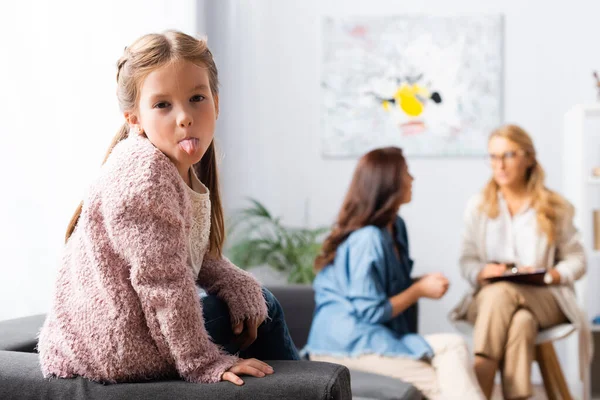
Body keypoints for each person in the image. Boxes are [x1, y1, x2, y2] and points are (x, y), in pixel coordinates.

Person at [38, 31, 299, 386]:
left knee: (256, 301)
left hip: (125, 333)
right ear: (134, 118)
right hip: (117, 345)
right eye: (163, 105)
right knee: (268, 308)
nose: (184, 117)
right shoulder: (143, 175)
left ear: (216, 103)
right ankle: (309, 383)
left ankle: (302, 379)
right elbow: (162, 283)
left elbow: (184, 252)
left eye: (196, 98)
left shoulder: (174, 168)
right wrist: (203, 363)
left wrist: (235, 282)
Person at [305, 147, 484, 400]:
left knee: (452, 350)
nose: (412, 179)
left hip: (375, 339)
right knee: (441, 376)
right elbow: (371, 311)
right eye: (406, 173)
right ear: (389, 183)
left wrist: (419, 284)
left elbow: (383, 288)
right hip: (345, 345)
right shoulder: (367, 239)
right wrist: (419, 290)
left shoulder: (396, 227)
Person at [451, 124, 592, 399]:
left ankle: (479, 387)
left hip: (545, 298)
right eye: (493, 156)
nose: (499, 165)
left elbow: (577, 260)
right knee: (520, 322)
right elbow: (466, 260)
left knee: (503, 294)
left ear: (528, 157)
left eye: (508, 155)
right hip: (492, 301)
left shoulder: (555, 206)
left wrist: (550, 274)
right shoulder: (478, 205)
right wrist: (482, 271)